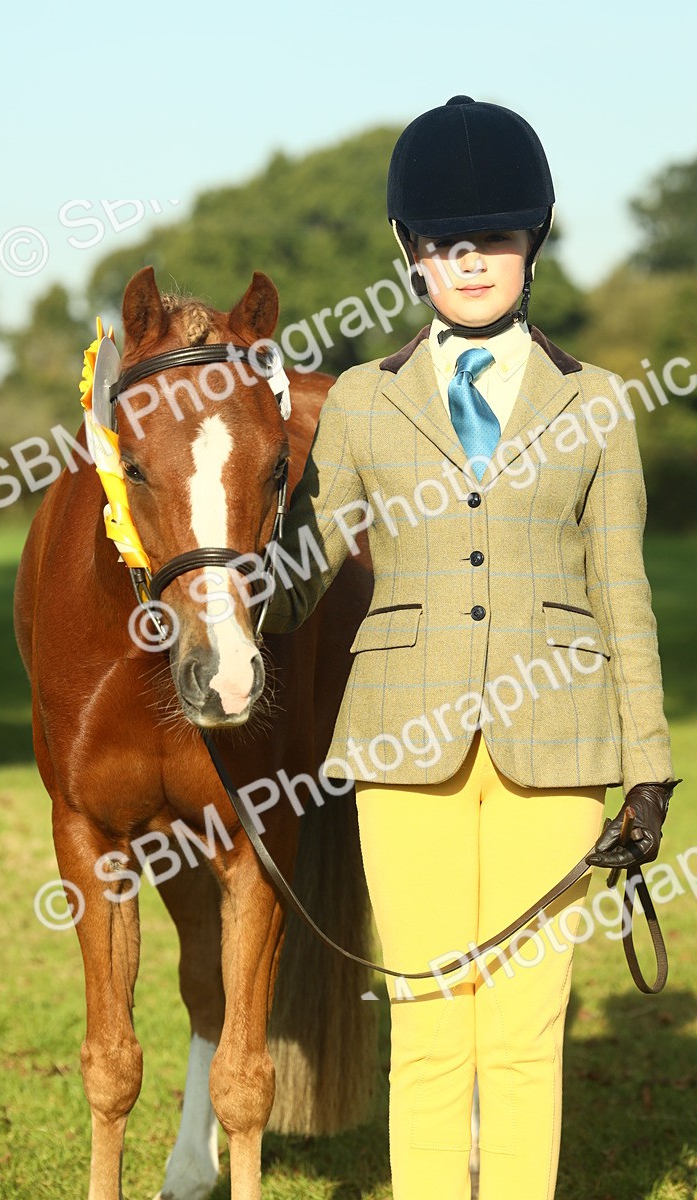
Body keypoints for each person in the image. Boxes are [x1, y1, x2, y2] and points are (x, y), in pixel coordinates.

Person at [261, 95, 679, 1200]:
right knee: (430, 1018)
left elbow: (621, 591)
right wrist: (231, 555)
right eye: (446, 241)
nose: (471, 260)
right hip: (405, 746)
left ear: (530, 243)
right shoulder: (357, 401)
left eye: (493, 237)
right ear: (408, 252)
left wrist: (648, 766)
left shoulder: (597, 404)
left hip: (560, 745)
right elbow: (301, 579)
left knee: (525, 1029)